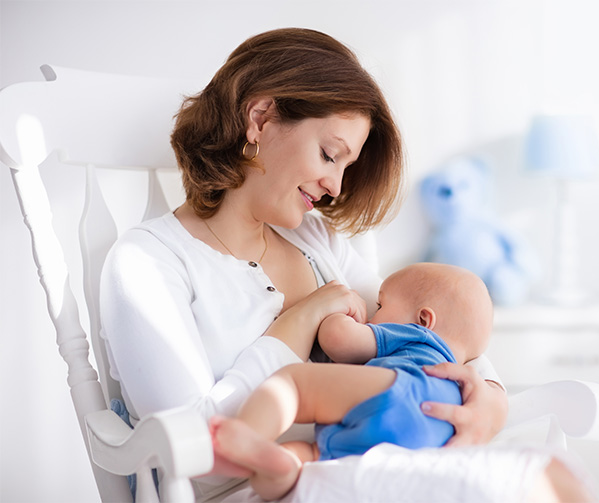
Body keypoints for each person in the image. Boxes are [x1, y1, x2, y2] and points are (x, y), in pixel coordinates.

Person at [99, 28, 508, 497]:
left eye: (345, 167)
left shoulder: (317, 240)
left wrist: (491, 399)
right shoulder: (148, 262)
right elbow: (193, 457)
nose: (335, 185)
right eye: (329, 154)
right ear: (260, 117)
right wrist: (297, 322)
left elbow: (429, 326)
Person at [210, 262, 494, 500]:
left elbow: (338, 340)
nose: (372, 314)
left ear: (423, 319)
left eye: (380, 305)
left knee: (294, 384)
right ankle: (284, 465)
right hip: (434, 438)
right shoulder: (459, 379)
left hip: (403, 391)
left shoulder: (416, 336)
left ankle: (246, 436)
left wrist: (339, 317)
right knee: (313, 458)